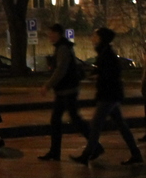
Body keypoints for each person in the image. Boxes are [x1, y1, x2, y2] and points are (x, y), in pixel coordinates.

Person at [71, 27, 143, 165]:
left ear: (101, 38)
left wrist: (97, 76)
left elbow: (109, 75)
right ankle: (136, 153)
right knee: (121, 126)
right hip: (111, 95)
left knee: (96, 125)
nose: (92, 38)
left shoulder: (107, 54)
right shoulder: (105, 52)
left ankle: (86, 155)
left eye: (95, 35)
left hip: (108, 95)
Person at [39, 24, 90, 161]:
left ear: (57, 34)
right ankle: (55, 152)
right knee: (59, 120)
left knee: (72, 119)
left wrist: (48, 85)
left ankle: (94, 145)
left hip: (67, 90)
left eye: (51, 34)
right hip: (64, 90)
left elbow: (61, 69)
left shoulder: (62, 48)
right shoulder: (62, 47)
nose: (49, 37)